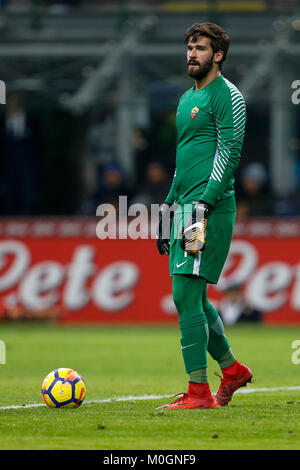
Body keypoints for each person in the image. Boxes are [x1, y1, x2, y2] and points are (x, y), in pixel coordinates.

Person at [156, 22, 252, 410]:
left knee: (184, 293)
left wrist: (205, 204)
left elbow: (229, 153)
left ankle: (199, 393)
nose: (191, 54)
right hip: (185, 209)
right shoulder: (184, 100)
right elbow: (184, 161)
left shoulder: (228, 96)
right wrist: (167, 207)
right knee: (194, 296)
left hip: (205, 211)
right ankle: (232, 371)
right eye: (189, 47)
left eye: (200, 48)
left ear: (218, 55)